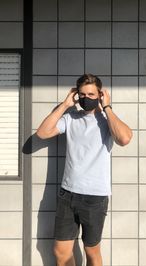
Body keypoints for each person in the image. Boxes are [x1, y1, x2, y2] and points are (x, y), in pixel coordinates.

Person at [36, 74, 133, 266]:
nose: (86, 98)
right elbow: (42, 132)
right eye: (82, 94)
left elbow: (124, 138)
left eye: (91, 94)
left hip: (95, 197)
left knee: (92, 252)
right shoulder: (71, 118)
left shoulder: (107, 121)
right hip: (68, 194)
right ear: (76, 95)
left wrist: (107, 107)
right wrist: (64, 105)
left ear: (100, 94)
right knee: (60, 252)